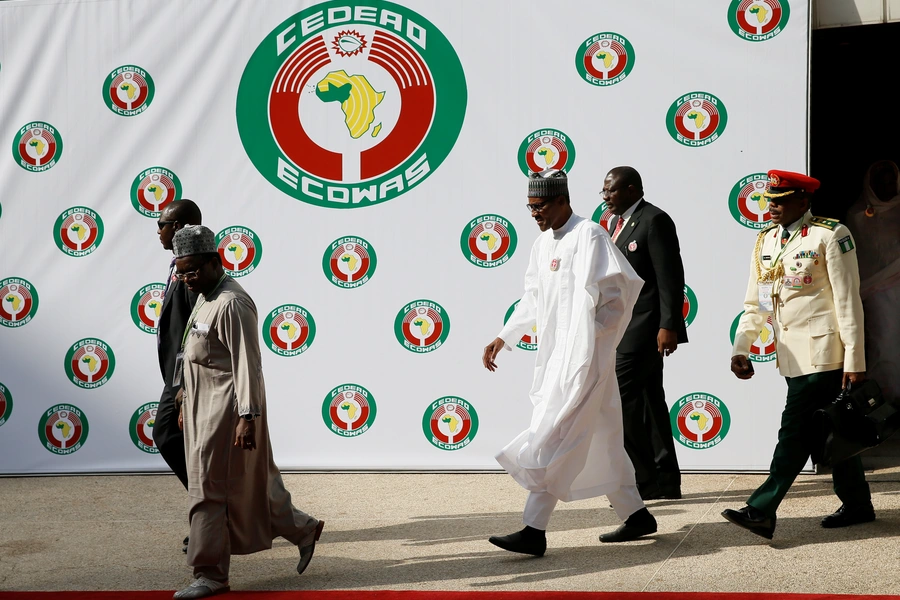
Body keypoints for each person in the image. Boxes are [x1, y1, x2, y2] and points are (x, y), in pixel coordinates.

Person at [482, 169, 656, 557]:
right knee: (604, 436)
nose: (534, 214)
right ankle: (636, 514)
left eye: (540, 206)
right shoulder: (542, 245)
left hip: (585, 361)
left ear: (563, 200)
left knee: (556, 436)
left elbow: (619, 295)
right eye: (529, 207)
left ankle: (533, 529)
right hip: (556, 359)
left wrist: (591, 341)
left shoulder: (590, 235)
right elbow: (532, 298)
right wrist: (504, 335)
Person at [171, 226, 323, 599]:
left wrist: (247, 416)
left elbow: (247, 364)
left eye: (193, 270)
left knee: (208, 488)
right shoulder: (205, 296)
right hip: (199, 406)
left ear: (214, 261)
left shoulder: (232, 303)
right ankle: (302, 528)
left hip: (224, 411)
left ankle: (210, 574)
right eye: (181, 271)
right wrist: (181, 400)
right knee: (245, 484)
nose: (187, 279)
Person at [724, 170, 872, 540]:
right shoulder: (766, 241)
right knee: (832, 429)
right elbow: (755, 303)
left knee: (794, 432)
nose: (771, 206)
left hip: (825, 355)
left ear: (803, 202)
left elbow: (848, 300)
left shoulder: (830, 235)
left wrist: (855, 360)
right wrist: (742, 347)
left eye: (780, 200)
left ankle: (761, 509)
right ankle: (857, 503)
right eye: (769, 199)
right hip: (791, 356)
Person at [602, 166, 687, 501]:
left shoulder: (655, 220)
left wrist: (670, 326)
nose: (606, 197)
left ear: (632, 189)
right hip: (625, 329)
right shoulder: (616, 225)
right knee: (650, 403)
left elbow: (670, 277)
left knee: (621, 403)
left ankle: (643, 480)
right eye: (604, 191)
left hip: (646, 329)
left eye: (611, 190)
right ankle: (666, 482)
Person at [155, 199, 201, 553]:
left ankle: (212, 514)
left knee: (166, 433)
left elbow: (196, 332)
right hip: (176, 375)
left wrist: (184, 385)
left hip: (187, 378)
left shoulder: (194, 271)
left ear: (181, 226)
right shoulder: (177, 266)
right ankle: (214, 514)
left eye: (163, 224)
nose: (158, 231)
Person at [846, 160, 900, 403]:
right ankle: (886, 401)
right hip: (874, 293)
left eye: (891, 181)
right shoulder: (856, 216)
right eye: (880, 181)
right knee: (884, 344)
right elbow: (854, 259)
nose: (886, 186)